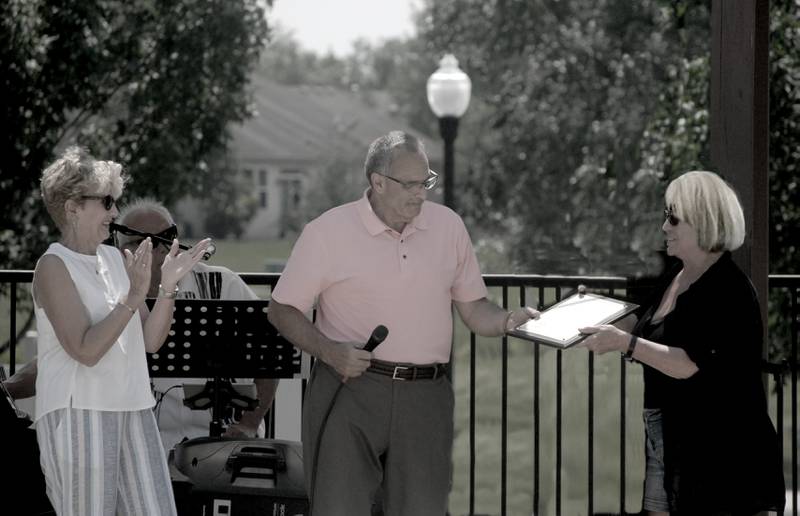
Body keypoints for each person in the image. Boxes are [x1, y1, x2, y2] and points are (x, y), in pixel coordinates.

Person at [267, 130, 539, 515]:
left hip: (426, 396)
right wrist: (329, 352)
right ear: (377, 182)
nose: (421, 193)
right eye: (409, 183)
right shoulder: (326, 233)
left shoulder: (448, 227)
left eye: (426, 181)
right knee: (337, 509)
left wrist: (510, 320)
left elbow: (474, 308)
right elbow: (280, 310)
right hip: (349, 388)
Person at [579, 170, 785, 515]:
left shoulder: (726, 289)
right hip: (670, 438)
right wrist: (585, 317)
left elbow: (689, 363)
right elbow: (644, 324)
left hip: (720, 454)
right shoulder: (678, 276)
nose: (664, 227)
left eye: (673, 217)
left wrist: (624, 343)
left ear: (702, 220)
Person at [33, 146, 211, 515]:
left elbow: (150, 341)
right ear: (72, 207)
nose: (115, 212)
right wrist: (132, 296)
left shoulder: (114, 258)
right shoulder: (53, 266)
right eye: (107, 201)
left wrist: (167, 287)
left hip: (134, 408)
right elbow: (85, 350)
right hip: (80, 412)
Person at [114, 198, 278, 451]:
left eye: (166, 237)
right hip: (144, 441)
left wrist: (249, 422)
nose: (156, 249)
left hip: (224, 439)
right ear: (119, 247)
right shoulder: (111, 293)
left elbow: (270, 352)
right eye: (139, 241)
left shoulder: (222, 283)